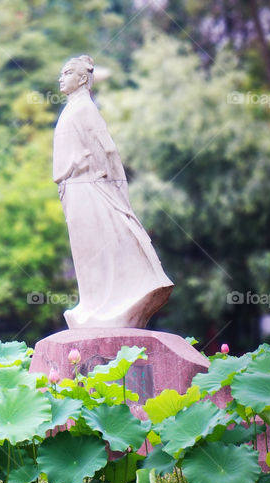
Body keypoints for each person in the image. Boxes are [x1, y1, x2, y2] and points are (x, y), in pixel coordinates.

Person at [53, 55, 173, 329]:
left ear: (83, 78)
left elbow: (108, 150)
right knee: (85, 251)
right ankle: (93, 304)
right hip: (73, 189)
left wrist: (115, 188)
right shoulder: (73, 108)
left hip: (89, 187)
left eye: (68, 72)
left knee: (100, 245)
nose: (61, 78)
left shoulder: (84, 109)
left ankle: (110, 303)